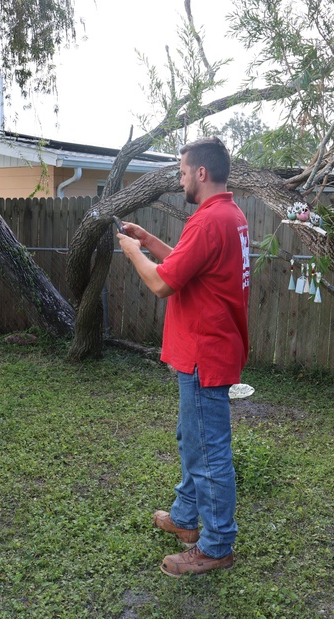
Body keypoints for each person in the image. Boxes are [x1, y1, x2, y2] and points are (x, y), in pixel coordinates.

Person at [116, 136, 250, 578]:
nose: (180, 179)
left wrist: (132, 252)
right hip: (207, 348)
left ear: (201, 173)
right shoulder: (229, 216)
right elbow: (186, 267)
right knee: (191, 440)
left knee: (208, 453)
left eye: (181, 172)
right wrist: (150, 240)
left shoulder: (210, 220)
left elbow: (161, 284)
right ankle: (186, 518)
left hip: (203, 353)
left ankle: (215, 547)